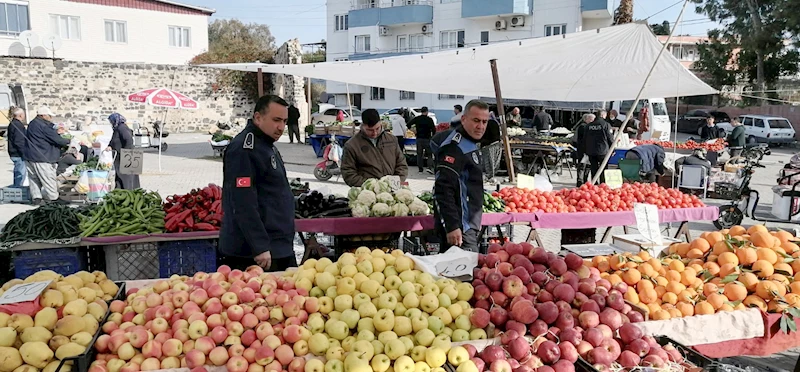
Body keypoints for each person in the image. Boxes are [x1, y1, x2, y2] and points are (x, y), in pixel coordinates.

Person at [220, 95, 297, 272]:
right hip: (255, 254)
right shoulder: (244, 149)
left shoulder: (266, 144)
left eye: (285, 121)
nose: (281, 127)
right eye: (276, 120)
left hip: (277, 246)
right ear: (258, 117)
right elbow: (242, 202)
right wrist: (259, 246)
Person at [432, 100, 489, 252]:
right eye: (476, 120)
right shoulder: (454, 148)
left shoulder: (470, 142)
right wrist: (452, 226)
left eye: (484, 122)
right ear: (463, 119)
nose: (481, 126)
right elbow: (442, 189)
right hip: (460, 230)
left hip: (469, 225)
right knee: (463, 275)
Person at [341, 109, 408, 187]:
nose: (375, 133)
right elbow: (348, 173)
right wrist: (370, 186)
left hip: (392, 189)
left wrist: (396, 181)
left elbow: (401, 164)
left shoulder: (392, 140)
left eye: (377, 128)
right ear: (363, 126)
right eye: (370, 130)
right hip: (366, 193)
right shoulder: (352, 145)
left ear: (380, 124)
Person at [24, 106, 70, 204]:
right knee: (48, 177)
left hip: (30, 156)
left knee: (34, 179)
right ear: (43, 115)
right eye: (49, 116)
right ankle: (54, 198)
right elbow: (56, 139)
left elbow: (49, 131)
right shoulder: (42, 125)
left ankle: (36, 198)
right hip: (41, 156)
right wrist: (67, 141)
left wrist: (56, 130)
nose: (50, 118)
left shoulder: (33, 123)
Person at [108, 113, 141, 190]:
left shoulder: (122, 128)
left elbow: (129, 140)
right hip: (123, 155)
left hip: (127, 156)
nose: (111, 123)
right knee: (120, 177)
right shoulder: (117, 128)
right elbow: (114, 140)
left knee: (127, 178)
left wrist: (125, 153)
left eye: (111, 121)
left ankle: (129, 193)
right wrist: (110, 146)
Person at [583, 112, 614, 183]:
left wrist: (585, 150)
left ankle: (594, 184)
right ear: (602, 115)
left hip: (591, 151)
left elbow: (584, 139)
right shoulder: (606, 125)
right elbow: (610, 138)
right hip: (603, 150)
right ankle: (602, 184)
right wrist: (612, 149)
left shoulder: (589, 126)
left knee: (594, 168)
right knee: (603, 169)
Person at [407, 106, 435, 173]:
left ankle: (420, 169)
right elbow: (434, 129)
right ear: (427, 112)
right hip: (427, 139)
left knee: (419, 154)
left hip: (419, 138)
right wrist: (432, 136)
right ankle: (429, 167)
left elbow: (408, 124)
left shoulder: (417, 118)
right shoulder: (429, 119)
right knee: (429, 154)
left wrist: (413, 131)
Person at [7, 107, 27, 187]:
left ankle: (17, 188)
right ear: (21, 115)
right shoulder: (17, 125)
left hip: (14, 152)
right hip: (17, 153)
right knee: (20, 174)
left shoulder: (13, 123)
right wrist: (24, 153)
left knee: (19, 172)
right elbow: (19, 141)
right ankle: (18, 190)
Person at [572, 114, 591, 186]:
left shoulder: (580, 126)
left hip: (581, 149)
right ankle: (581, 180)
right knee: (583, 165)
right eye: (591, 119)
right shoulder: (583, 127)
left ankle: (581, 180)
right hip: (584, 149)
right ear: (586, 119)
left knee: (584, 165)